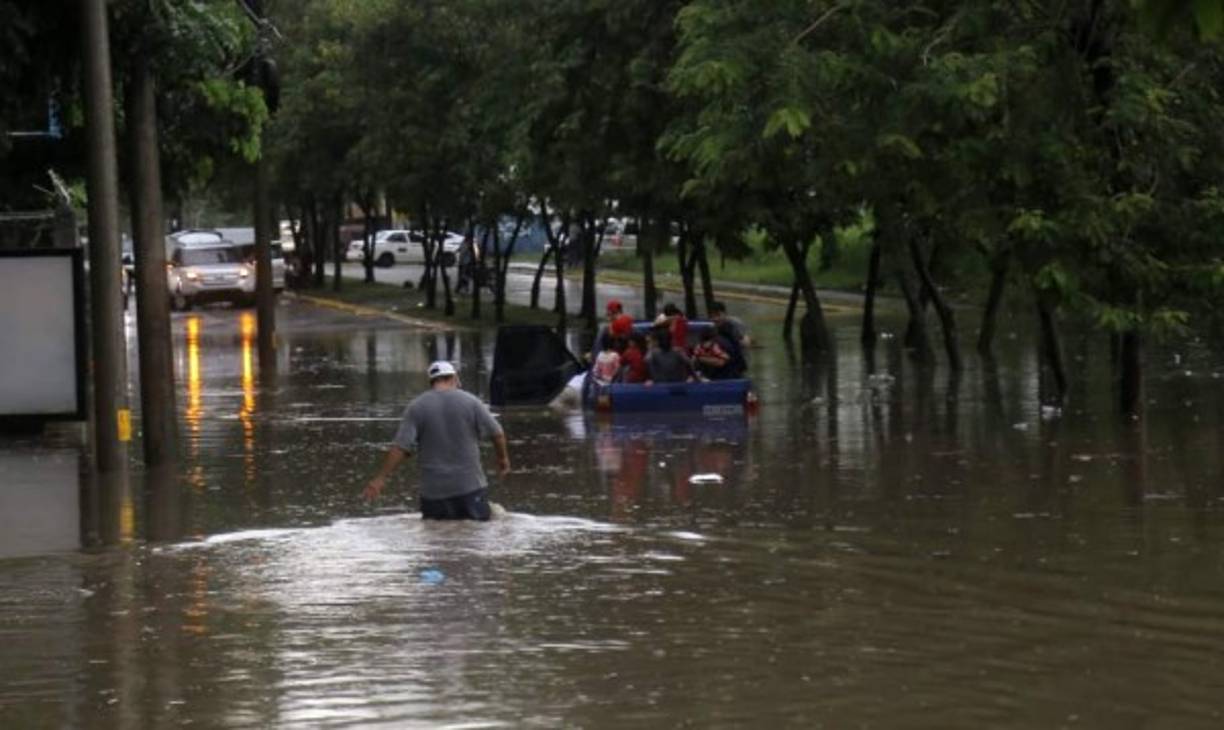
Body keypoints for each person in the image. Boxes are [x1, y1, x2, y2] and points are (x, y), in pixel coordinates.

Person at [364, 360, 511, 521]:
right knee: (475, 538)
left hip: (433, 494)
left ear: (432, 382)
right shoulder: (472, 402)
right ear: (454, 378)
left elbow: (401, 448)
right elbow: (497, 433)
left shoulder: (416, 407)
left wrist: (380, 478)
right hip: (470, 487)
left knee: (437, 539)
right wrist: (502, 459)